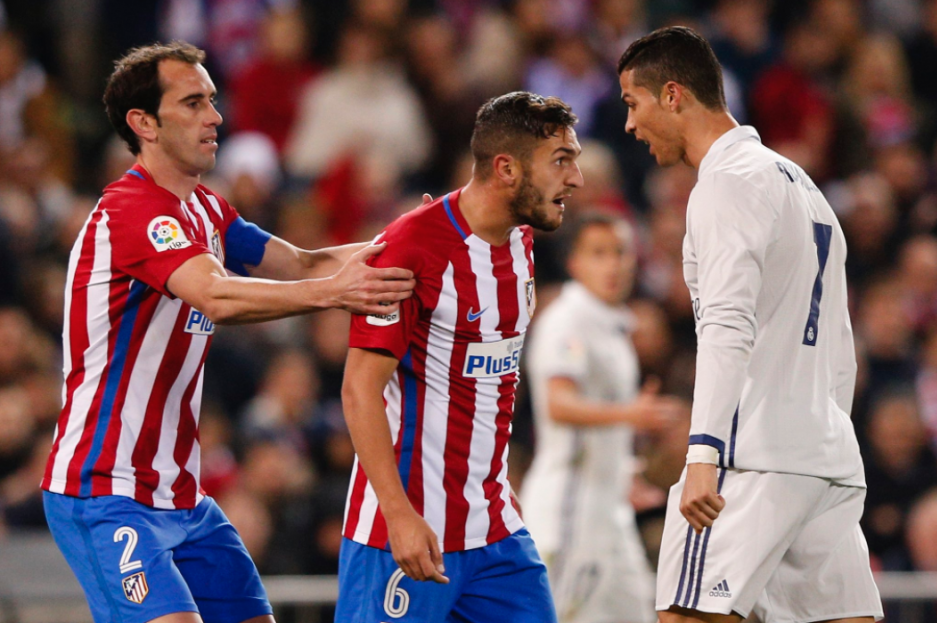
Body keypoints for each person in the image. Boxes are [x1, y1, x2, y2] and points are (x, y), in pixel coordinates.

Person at [40, 41, 414, 623]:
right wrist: (334, 296)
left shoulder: (206, 210)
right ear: (144, 123)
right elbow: (216, 294)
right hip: (105, 491)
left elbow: (303, 262)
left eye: (212, 100)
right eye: (193, 103)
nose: (215, 117)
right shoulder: (131, 211)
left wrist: (418, 242)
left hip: (183, 496)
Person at [616, 27, 883, 623]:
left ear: (674, 95)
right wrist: (824, 426)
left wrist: (704, 454)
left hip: (751, 454)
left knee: (686, 614)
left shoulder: (726, 185)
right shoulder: (805, 189)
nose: (629, 125)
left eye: (633, 103)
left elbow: (726, 325)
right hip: (825, 455)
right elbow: (842, 348)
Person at [338, 91, 583, 623]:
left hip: (496, 531)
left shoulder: (521, 241)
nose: (576, 179)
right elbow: (360, 390)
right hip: (404, 535)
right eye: (561, 161)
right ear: (506, 169)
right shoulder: (411, 249)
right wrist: (399, 515)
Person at [520, 213, 684, 623]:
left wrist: (624, 471)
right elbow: (559, 404)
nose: (612, 264)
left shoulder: (611, 327)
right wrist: (632, 413)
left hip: (609, 512)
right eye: (598, 253)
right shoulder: (566, 322)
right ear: (574, 262)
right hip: (569, 511)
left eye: (620, 252)